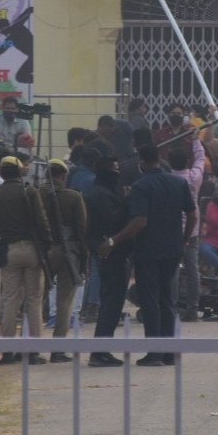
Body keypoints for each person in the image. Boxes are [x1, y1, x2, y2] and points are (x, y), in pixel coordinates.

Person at [98, 143, 195, 366]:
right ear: (158, 159)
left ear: (141, 163)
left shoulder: (141, 186)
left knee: (150, 300)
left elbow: (140, 222)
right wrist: (184, 240)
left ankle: (154, 353)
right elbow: (192, 215)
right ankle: (169, 352)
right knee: (167, 299)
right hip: (172, 250)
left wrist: (114, 239)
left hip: (149, 251)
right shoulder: (178, 182)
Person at [0, 155, 52, 364]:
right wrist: (46, 247)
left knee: (9, 300)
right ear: (19, 172)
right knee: (33, 300)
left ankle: (7, 350)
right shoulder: (29, 192)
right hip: (32, 249)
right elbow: (42, 222)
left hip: (7, 249)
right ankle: (32, 352)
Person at [85, 155, 132, 367]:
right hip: (111, 252)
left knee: (112, 302)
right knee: (111, 303)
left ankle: (102, 349)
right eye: (114, 169)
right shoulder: (102, 194)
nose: (118, 174)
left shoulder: (100, 191)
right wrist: (127, 201)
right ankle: (100, 351)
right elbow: (113, 221)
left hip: (110, 251)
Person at [39, 159, 87, 362]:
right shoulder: (74, 197)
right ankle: (58, 349)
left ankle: (28, 346)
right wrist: (84, 258)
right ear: (63, 176)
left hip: (43, 251)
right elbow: (81, 229)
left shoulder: (36, 194)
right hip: (68, 251)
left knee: (35, 299)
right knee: (64, 302)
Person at [168, 138, 205, 321]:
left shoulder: (168, 179)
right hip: (192, 231)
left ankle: (172, 307)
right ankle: (193, 308)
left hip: (173, 230)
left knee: (173, 269)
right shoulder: (194, 177)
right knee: (192, 270)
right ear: (187, 161)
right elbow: (201, 158)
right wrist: (196, 140)